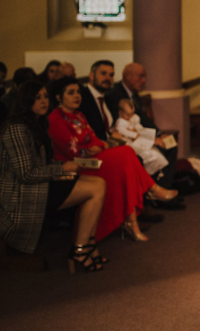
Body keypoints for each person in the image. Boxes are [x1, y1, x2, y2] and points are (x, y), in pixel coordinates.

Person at [47, 77, 179, 242]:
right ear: (58, 97)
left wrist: (98, 146)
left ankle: (133, 220)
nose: (77, 96)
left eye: (78, 92)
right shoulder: (56, 119)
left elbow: (95, 139)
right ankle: (150, 192)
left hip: (92, 158)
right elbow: (73, 151)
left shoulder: (78, 115)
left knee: (126, 160)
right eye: (71, 93)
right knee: (125, 154)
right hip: (76, 164)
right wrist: (94, 148)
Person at [0, 81, 107, 271]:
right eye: (37, 98)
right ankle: (81, 249)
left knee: (99, 183)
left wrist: (68, 166)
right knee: (95, 188)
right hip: (21, 194)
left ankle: (86, 246)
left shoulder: (36, 123)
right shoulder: (16, 128)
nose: (43, 101)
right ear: (26, 101)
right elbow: (26, 174)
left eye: (46, 97)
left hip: (37, 184)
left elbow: (42, 165)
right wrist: (62, 169)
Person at [106, 63, 179, 191]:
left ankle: (165, 185)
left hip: (141, 134)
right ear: (128, 76)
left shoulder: (132, 93)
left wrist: (160, 133)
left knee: (171, 142)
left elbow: (144, 120)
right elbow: (123, 129)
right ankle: (158, 189)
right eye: (141, 76)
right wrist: (152, 140)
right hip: (129, 140)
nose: (144, 80)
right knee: (161, 148)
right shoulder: (115, 95)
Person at [113, 99, 169, 176]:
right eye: (128, 115)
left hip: (138, 139)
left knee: (156, 152)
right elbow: (122, 131)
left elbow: (139, 127)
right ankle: (145, 173)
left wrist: (140, 132)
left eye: (132, 114)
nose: (130, 117)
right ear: (120, 113)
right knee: (150, 154)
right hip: (129, 143)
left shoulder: (134, 117)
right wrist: (134, 134)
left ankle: (157, 172)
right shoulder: (120, 122)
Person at [79, 60, 120, 142]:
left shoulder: (109, 98)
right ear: (92, 76)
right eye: (103, 73)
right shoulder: (81, 98)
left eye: (111, 75)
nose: (108, 78)